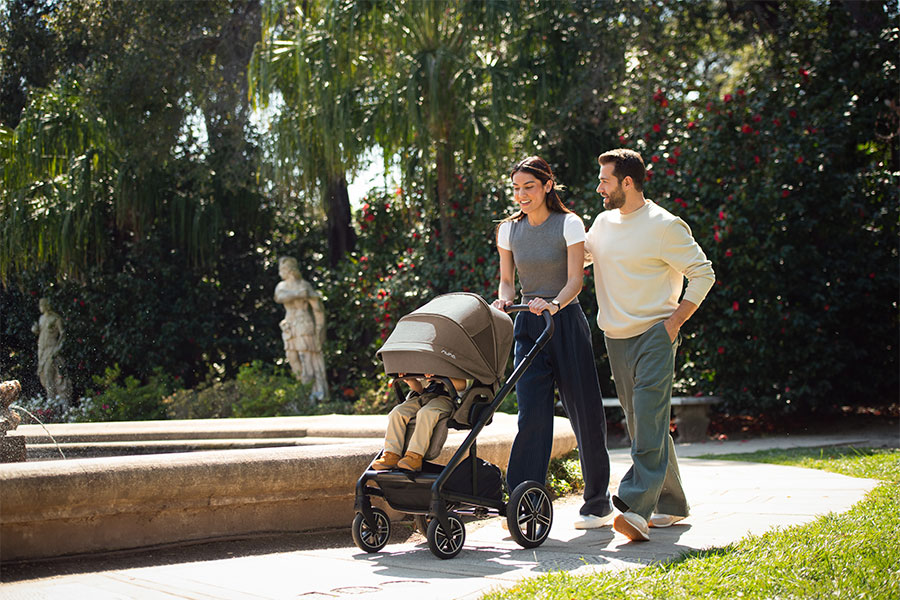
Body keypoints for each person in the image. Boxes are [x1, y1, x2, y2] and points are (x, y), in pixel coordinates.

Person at [585, 148, 715, 542]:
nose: (599, 188)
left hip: (655, 335)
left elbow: (703, 274)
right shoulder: (602, 224)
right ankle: (672, 504)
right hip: (615, 338)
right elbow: (580, 258)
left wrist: (673, 323)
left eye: (605, 181)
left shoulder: (664, 225)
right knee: (644, 421)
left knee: (646, 418)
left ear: (627, 182)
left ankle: (634, 506)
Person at [491, 156, 613, 529]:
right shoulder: (509, 230)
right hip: (529, 325)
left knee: (584, 411)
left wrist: (555, 304)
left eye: (529, 187)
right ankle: (522, 502)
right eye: (516, 188)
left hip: (565, 322)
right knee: (531, 414)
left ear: (547, 185)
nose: (522, 195)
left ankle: (597, 503)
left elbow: (576, 280)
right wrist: (504, 301)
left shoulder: (569, 223)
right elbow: (508, 281)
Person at [371, 374, 467, 472]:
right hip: (424, 396)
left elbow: (462, 385)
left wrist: (439, 374)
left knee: (426, 413)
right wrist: (410, 379)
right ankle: (391, 455)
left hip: (448, 397)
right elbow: (420, 389)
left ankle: (414, 456)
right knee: (397, 412)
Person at [274, 256, 329, 401]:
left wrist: (313, 299)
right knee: (292, 357)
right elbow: (279, 297)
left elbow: (316, 307)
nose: (280, 272)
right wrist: (298, 294)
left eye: (282, 269)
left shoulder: (304, 285)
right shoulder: (282, 286)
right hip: (289, 325)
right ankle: (303, 389)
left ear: (290, 270)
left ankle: (314, 392)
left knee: (307, 358)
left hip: (304, 323)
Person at [32, 298, 72, 402]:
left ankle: (52, 401)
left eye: (42, 305)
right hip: (42, 350)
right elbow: (41, 332)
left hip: (51, 349)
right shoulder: (41, 318)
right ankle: (51, 401)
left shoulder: (55, 318)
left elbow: (63, 334)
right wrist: (35, 330)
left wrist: (57, 349)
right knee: (43, 375)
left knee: (49, 374)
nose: (40, 307)